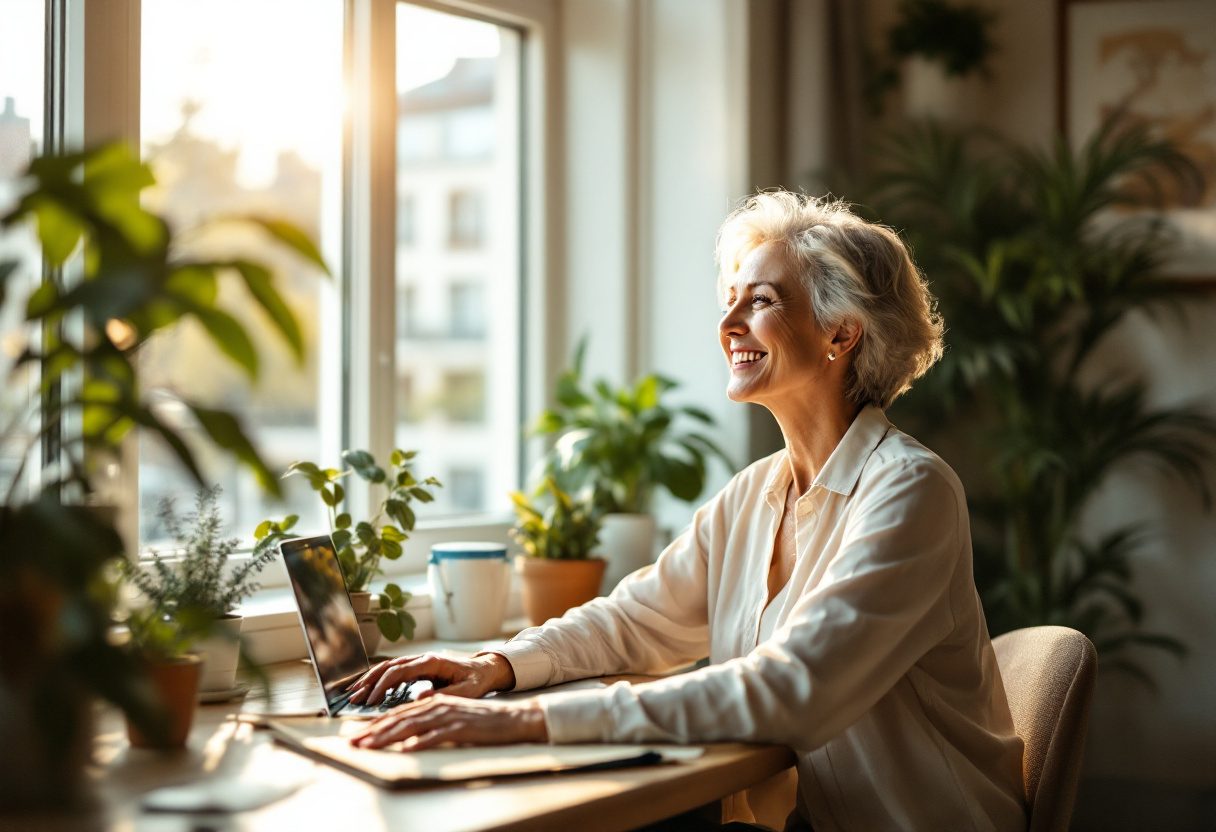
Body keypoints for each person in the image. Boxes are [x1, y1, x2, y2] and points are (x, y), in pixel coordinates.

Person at [347, 192, 1026, 831]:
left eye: (758, 302)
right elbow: (634, 621)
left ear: (840, 334)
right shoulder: (751, 496)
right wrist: (497, 666)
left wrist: (530, 723)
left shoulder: (912, 492)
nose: (728, 325)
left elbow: (793, 689)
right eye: (729, 301)